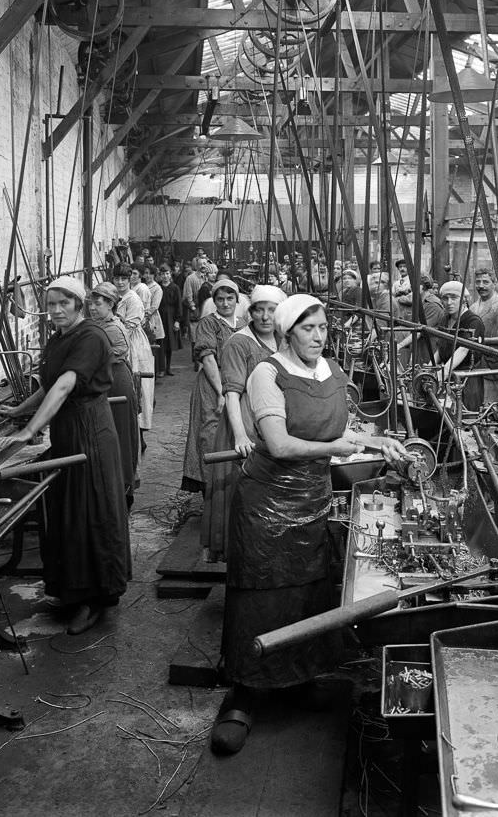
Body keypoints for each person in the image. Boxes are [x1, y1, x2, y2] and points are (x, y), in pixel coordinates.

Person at [212, 294, 410, 756]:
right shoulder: (267, 373)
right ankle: (243, 694)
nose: (319, 337)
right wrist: (339, 450)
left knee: (308, 591)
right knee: (261, 596)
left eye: (323, 327)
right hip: (267, 505)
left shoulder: (333, 372)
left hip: (313, 499)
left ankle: (298, 679)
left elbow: (345, 432)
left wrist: (381, 442)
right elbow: (279, 445)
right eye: (308, 329)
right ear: (286, 333)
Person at [0, 277, 128, 635]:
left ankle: (95, 598)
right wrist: (18, 412)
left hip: (89, 430)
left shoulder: (90, 336)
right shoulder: (59, 338)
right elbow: (48, 384)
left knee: (90, 510)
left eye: (63, 304)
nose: (55, 310)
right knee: (67, 510)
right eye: (51, 304)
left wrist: (29, 431)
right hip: (68, 429)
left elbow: (67, 384)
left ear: (79, 303)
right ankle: (71, 590)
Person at [202, 284, 287, 561]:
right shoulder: (239, 342)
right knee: (247, 493)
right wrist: (240, 435)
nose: (264, 316)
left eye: (271, 310)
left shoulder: (283, 340)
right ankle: (245, 556)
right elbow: (232, 393)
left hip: (272, 421)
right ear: (249, 312)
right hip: (247, 422)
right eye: (258, 310)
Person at [181, 278, 242, 494]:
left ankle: (231, 488)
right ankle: (211, 491)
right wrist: (220, 392)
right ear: (214, 301)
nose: (225, 304)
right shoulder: (209, 323)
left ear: (237, 299)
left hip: (236, 385)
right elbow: (207, 359)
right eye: (220, 299)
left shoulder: (243, 324)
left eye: (230, 298)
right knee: (211, 434)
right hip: (212, 385)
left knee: (235, 434)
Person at [85, 281, 140, 507]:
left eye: (98, 304)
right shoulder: (101, 324)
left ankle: (122, 489)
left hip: (116, 383)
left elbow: (103, 357)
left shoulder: (112, 328)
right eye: (91, 304)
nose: (93, 308)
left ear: (110, 304)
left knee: (118, 435)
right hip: (110, 379)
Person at [113, 262, 154, 434]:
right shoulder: (114, 296)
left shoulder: (133, 299)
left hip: (133, 344)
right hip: (118, 339)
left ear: (130, 280)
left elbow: (129, 327)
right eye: (117, 278)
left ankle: (137, 428)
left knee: (135, 383)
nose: (120, 282)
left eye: (124, 279)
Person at [437, 280, 487, 410]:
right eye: (445, 298)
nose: (449, 302)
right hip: (448, 377)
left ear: (464, 299)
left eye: (454, 298)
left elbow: (463, 349)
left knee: (465, 417)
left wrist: (443, 373)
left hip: (467, 380)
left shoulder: (473, 321)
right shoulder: (445, 319)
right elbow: (440, 346)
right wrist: (430, 367)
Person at [470, 268, 498, 403]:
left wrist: (483, 340)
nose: (481, 286)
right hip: (477, 364)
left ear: (494, 284)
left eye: (485, 282)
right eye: (478, 282)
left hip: (497, 364)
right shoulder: (473, 308)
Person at [141, 263, 165, 378]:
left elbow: (154, 306)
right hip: (142, 317)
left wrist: (144, 315)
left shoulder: (157, 288)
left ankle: (156, 371)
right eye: (145, 273)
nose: (147, 275)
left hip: (151, 319)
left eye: (150, 273)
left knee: (154, 344)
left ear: (154, 275)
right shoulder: (142, 285)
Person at [158, 264, 182, 368]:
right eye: (163, 274)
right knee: (160, 342)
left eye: (167, 273)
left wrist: (177, 320)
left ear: (170, 274)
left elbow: (179, 305)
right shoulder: (158, 287)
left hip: (171, 317)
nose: (165, 276)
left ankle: (168, 367)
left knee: (169, 342)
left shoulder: (175, 287)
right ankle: (161, 367)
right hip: (159, 316)